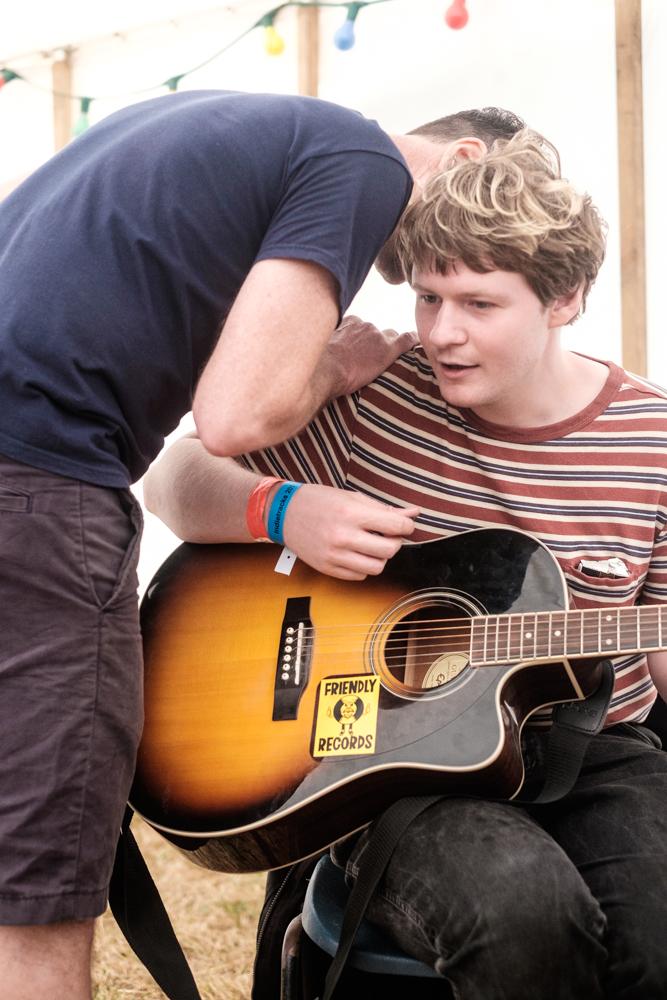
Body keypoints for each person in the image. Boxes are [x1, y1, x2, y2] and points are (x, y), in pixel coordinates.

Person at [0, 91, 524, 1000]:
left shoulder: (236, 121)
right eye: (487, 214)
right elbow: (235, 413)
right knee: (39, 891)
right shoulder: (363, 162)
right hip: (37, 483)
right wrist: (328, 371)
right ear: (468, 160)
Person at [144, 127, 667, 998]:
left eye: (478, 305)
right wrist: (286, 508)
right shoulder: (376, 395)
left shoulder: (651, 439)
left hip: (599, 751)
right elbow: (172, 477)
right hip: (385, 759)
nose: (441, 334)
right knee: (523, 917)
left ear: (564, 297)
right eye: (428, 298)